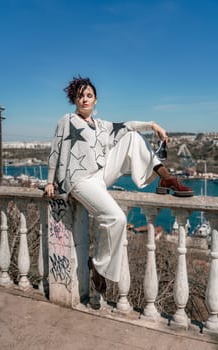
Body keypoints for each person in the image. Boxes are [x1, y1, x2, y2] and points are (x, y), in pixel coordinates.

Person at [45, 76, 193, 293]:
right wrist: (50, 181)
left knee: (131, 136)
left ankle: (165, 176)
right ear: (74, 100)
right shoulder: (66, 121)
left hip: (100, 174)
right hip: (80, 180)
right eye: (80, 96)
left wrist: (152, 125)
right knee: (116, 218)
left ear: (95, 100)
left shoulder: (102, 125)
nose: (84, 99)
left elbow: (129, 125)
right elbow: (55, 151)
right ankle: (98, 266)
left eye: (89, 95)